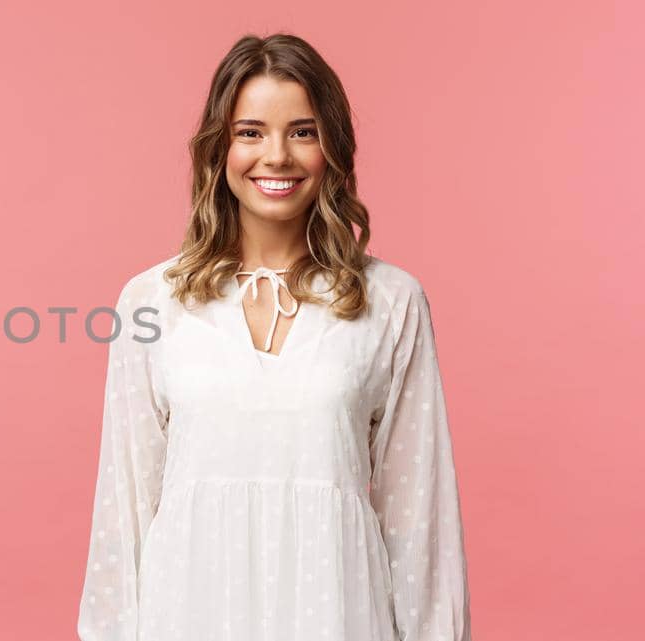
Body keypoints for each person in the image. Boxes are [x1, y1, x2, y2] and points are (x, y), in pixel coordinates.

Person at [76, 33, 473, 641]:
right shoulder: (152, 301)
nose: (277, 156)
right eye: (250, 132)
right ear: (219, 148)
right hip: (188, 614)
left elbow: (419, 518)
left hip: (338, 614)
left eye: (303, 132)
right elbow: (125, 509)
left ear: (332, 148)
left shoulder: (391, 302)